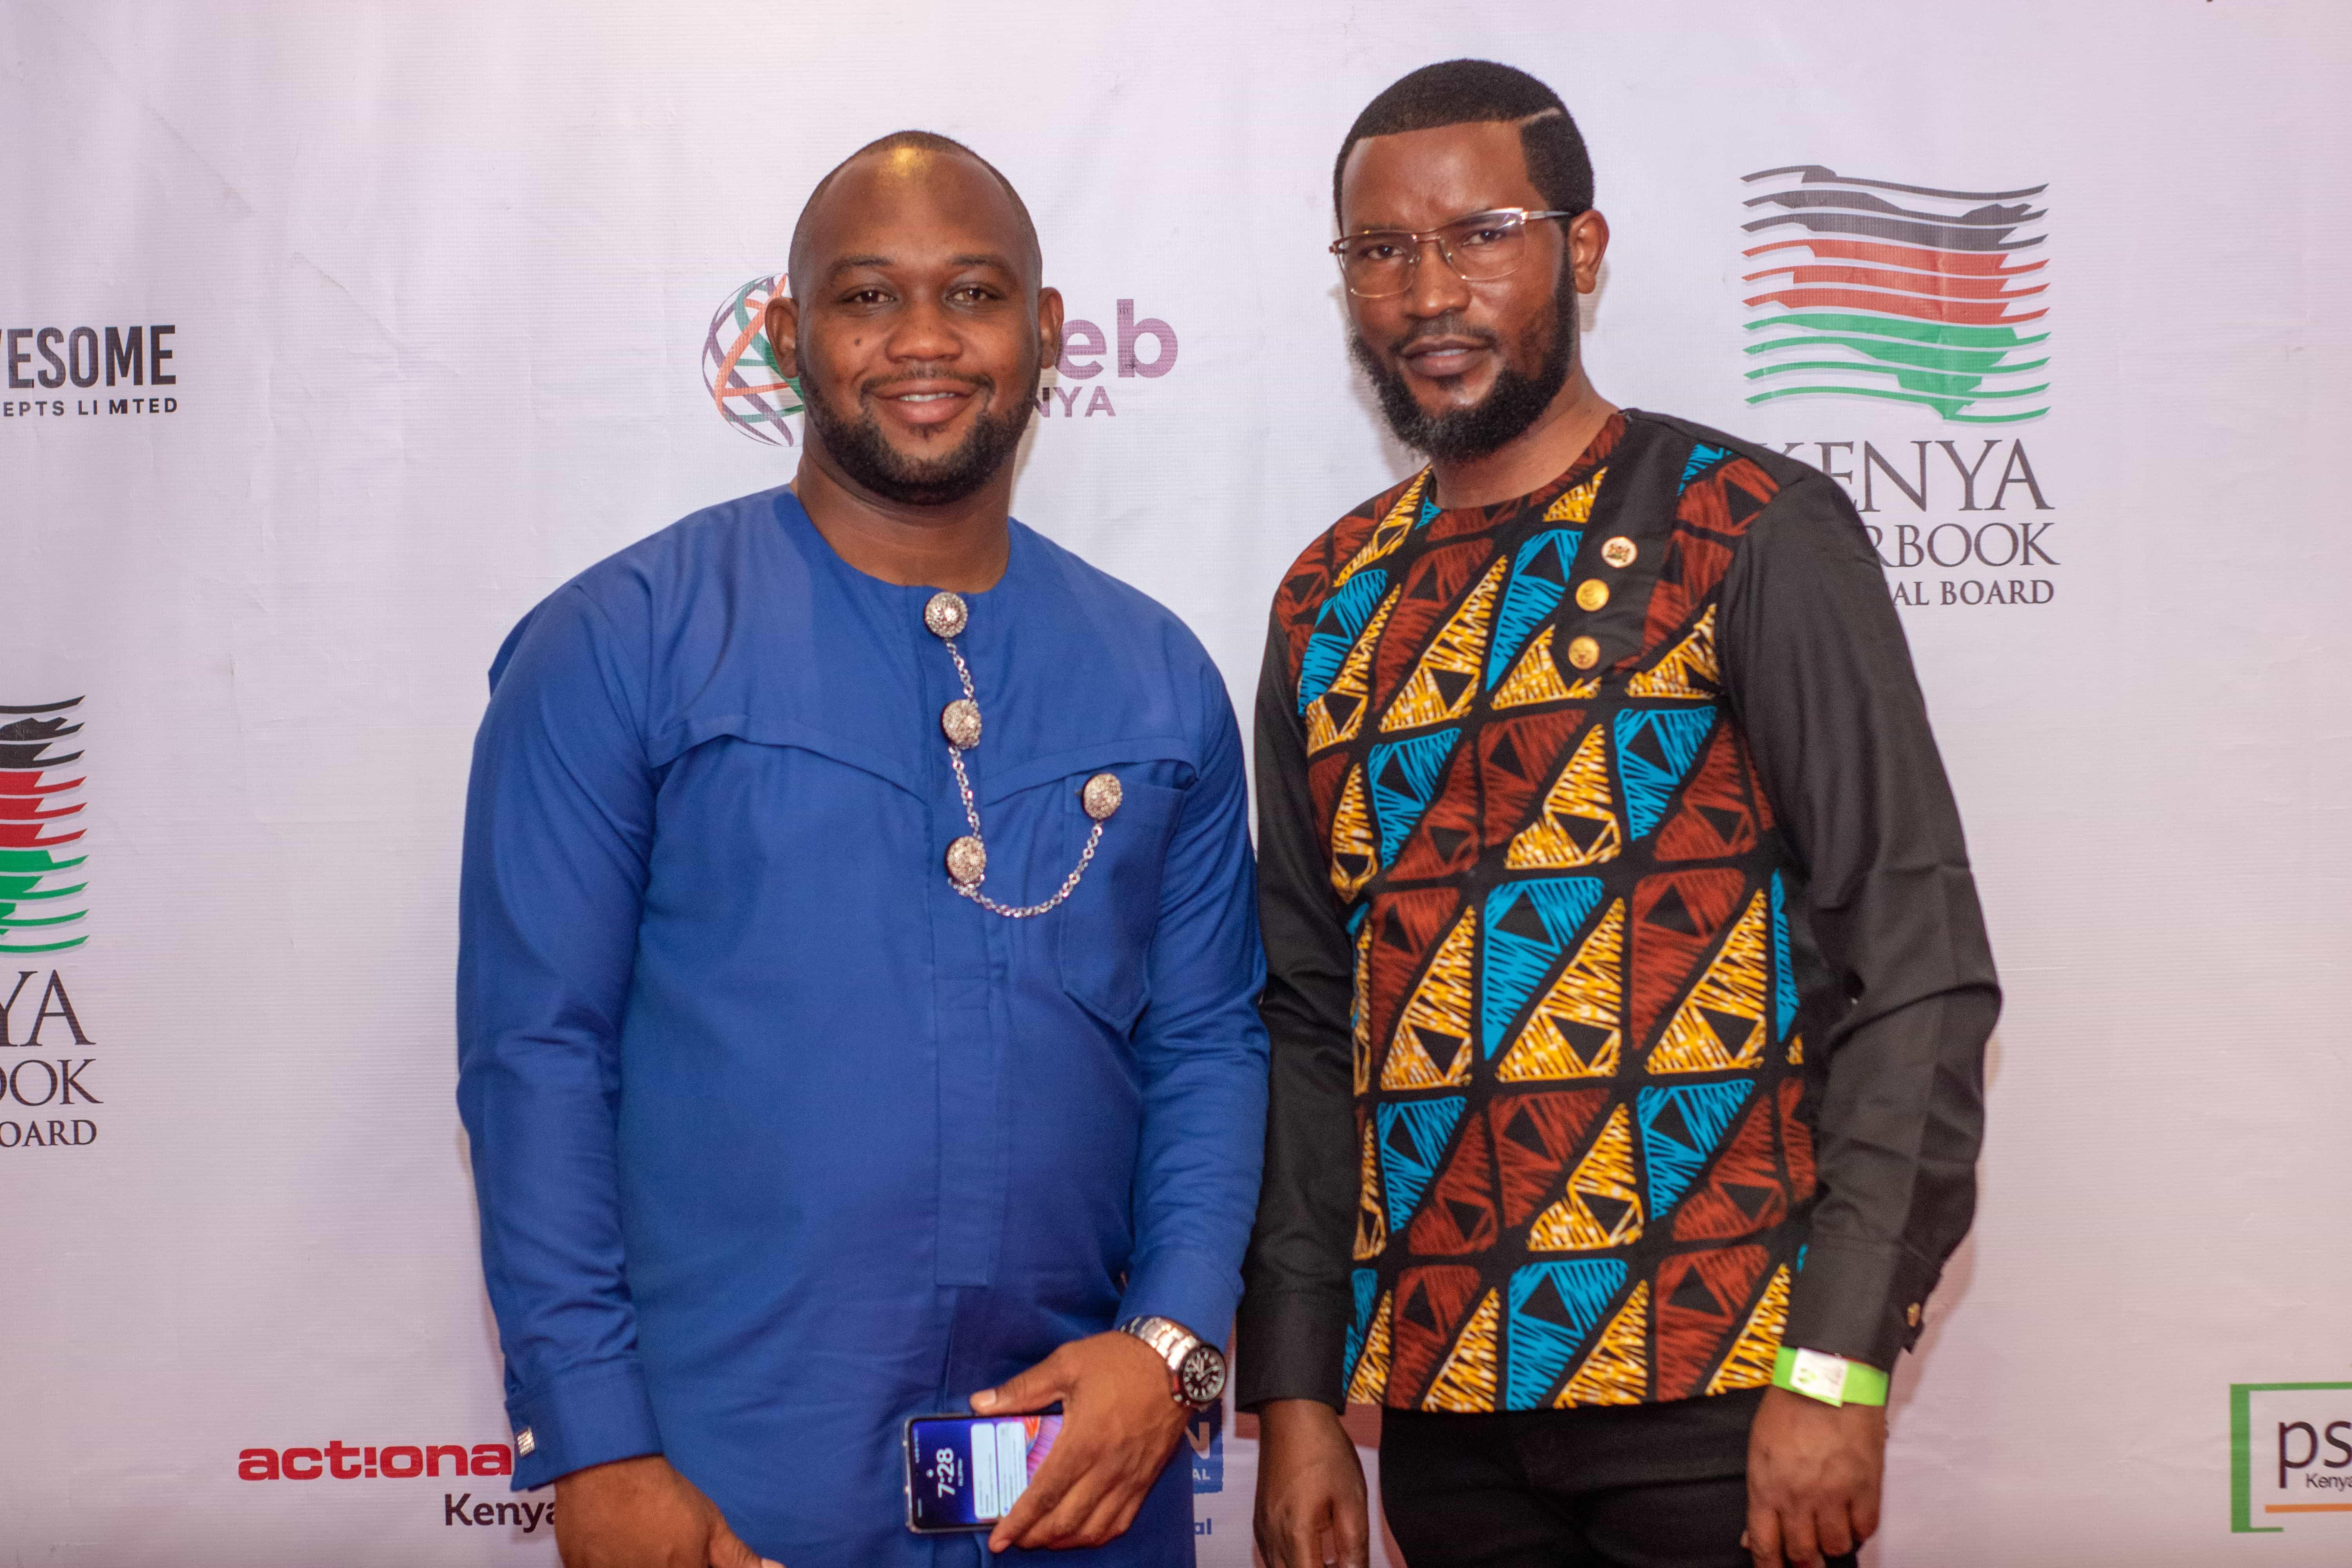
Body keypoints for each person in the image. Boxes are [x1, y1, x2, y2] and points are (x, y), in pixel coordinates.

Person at [457, 130, 1267, 1567]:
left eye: (973, 293)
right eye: (867, 297)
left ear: (1049, 334)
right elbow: (537, 1059)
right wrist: (598, 1447)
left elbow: (1207, 1043)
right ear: (786, 335)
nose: (925, 341)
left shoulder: (1157, 678)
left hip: (1085, 1481)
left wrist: (1171, 1350)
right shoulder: (622, 642)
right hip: (733, 1483)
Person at [1238, 61, 1999, 1568]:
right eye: (1381, 251)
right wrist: (1302, 1388)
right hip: (1447, 1421)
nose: (1429, 290)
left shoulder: (1748, 532)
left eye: (1483, 234)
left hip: (1727, 1397)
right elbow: (1310, 1017)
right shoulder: (1327, 601)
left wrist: (1840, 1360)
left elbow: (1914, 968)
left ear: (1580, 254)